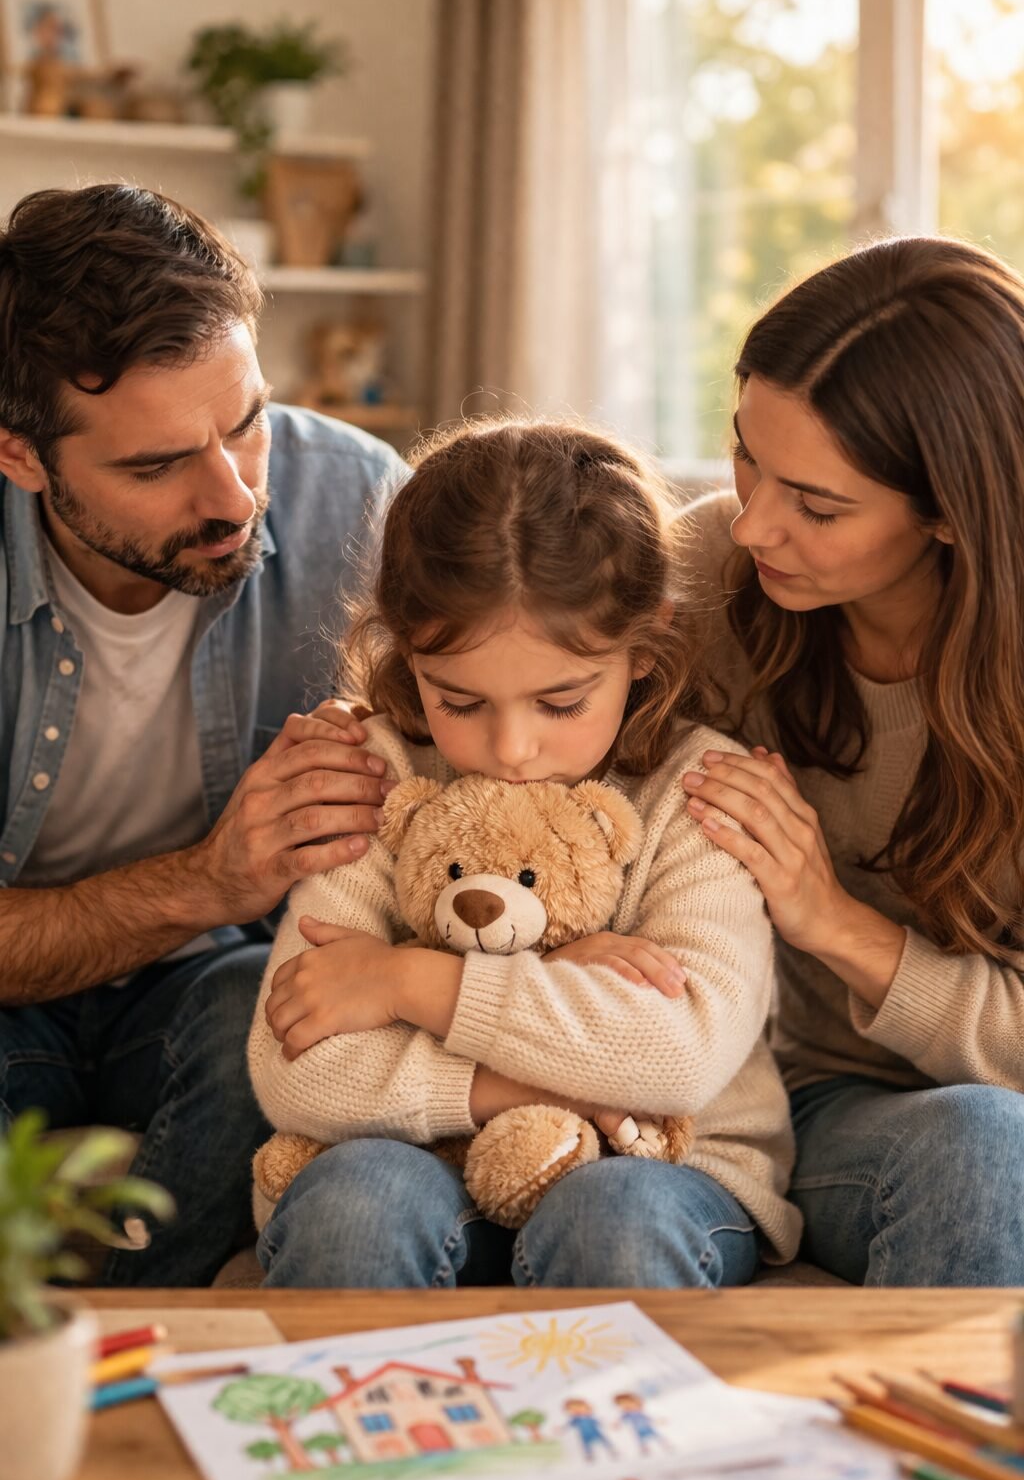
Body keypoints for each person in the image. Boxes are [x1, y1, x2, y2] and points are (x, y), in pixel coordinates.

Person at [248, 417, 802, 1289]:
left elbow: (680, 1057)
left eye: (561, 702)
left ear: (644, 647)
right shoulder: (376, 773)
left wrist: (407, 982)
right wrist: (539, 1077)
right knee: (354, 1206)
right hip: (422, 1157)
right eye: (460, 702)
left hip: (662, 1166)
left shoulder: (700, 792)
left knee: (615, 1223)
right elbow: (297, 1068)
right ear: (404, 648)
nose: (510, 749)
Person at [0, 183, 399, 1285]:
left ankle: (139, 1338)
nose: (233, 498)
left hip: (209, 981)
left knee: (261, 999)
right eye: (155, 465)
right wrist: (204, 883)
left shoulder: (362, 505)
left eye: (246, 424)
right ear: (20, 456)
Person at [679, 234, 1024, 1286]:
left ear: (951, 515)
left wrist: (830, 921)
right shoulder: (704, 573)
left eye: (817, 506)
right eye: (745, 454)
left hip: (945, 1124)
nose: (753, 525)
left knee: (983, 1143)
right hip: (742, 1091)